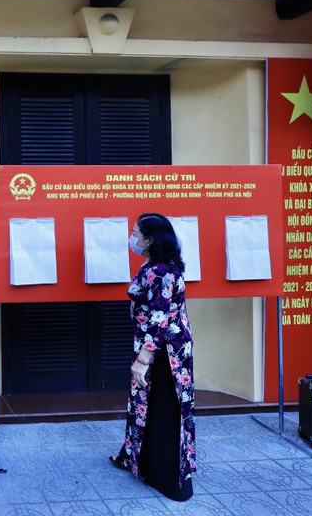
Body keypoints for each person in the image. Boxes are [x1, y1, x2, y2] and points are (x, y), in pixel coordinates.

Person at [111, 213, 195, 501]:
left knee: (162, 407)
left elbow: (158, 318)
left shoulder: (159, 272)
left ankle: (167, 477)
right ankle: (137, 459)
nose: (131, 238)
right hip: (159, 345)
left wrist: (143, 360)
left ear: (149, 240)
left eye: (135, 233)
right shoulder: (156, 265)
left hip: (163, 352)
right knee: (146, 404)